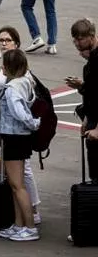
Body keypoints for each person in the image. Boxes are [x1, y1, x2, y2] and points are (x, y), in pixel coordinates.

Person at [0, 27, 41, 224]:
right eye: (1, 40)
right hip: (16, 137)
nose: (3, 43)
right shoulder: (24, 80)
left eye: (8, 40)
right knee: (15, 184)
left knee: (17, 184)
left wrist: (34, 123)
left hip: (14, 137)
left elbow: (20, 113)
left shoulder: (12, 87)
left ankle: (29, 223)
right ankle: (20, 223)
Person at [65, 18, 98, 183]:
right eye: (74, 39)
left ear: (92, 37)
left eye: (80, 39)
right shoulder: (91, 60)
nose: (77, 43)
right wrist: (86, 117)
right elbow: (93, 93)